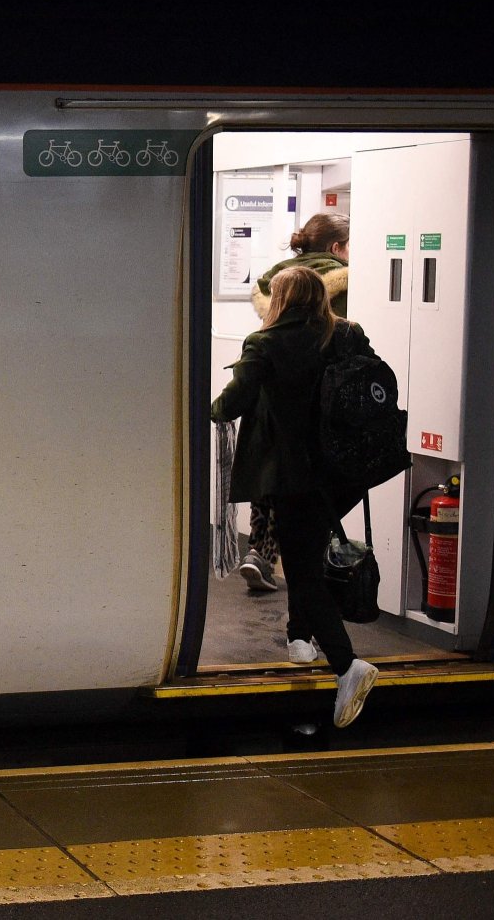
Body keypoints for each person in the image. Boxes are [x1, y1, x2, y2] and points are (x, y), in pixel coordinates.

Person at [211, 265, 378, 727]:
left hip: (291, 477)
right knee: (306, 554)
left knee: (303, 571)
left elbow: (230, 404)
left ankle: (348, 666)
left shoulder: (265, 343)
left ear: (281, 299)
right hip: (341, 473)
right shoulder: (345, 335)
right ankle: (300, 641)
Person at [239, 211, 352, 592]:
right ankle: (310, 572)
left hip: (272, 408)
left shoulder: (278, 280)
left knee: (270, 482)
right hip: (317, 409)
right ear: (336, 247)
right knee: (306, 496)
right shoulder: (342, 284)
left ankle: (260, 553)